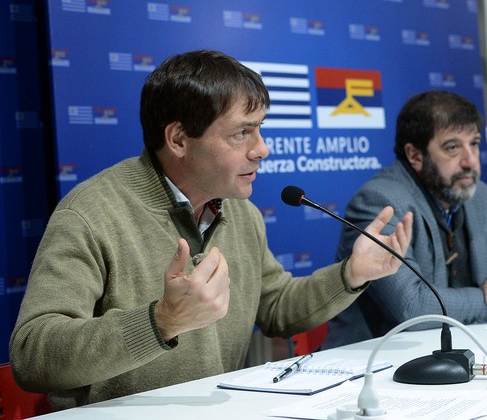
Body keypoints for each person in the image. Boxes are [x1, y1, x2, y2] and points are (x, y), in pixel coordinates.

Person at [9, 50, 413, 409]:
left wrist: (351, 274)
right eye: (242, 132)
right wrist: (161, 321)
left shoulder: (241, 212)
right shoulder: (91, 213)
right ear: (179, 139)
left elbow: (275, 307)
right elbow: (32, 354)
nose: (262, 148)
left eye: (260, 128)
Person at [324, 90, 487, 348]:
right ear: (415, 156)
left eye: (474, 144)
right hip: (375, 364)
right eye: (453, 148)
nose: (470, 161)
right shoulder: (380, 201)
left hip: (462, 351)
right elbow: (415, 307)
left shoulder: (479, 197)